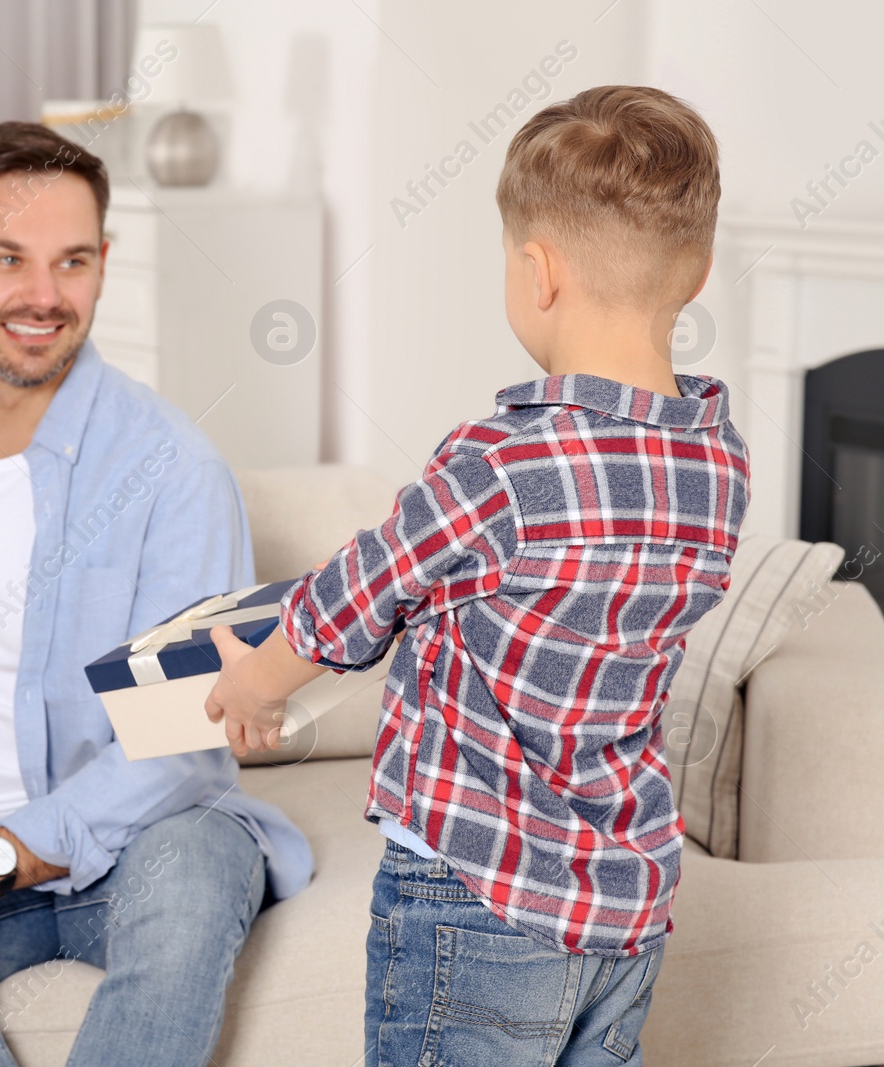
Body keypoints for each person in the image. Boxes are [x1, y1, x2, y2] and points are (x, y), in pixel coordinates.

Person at [205, 85, 751, 1065]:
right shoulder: (719, 465)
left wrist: (254, 677)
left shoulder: (498, 465)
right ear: (699, 269)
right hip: (625, 903)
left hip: (478, 892)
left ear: (536, 272)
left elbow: (359, 592)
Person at [0, 121, 312, 1067]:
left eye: (73, 261)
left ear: (103, 265)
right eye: (6, 258)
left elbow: (177, 744)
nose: (44, 296)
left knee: (197, 878)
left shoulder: (172, 468)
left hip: (145, 835)